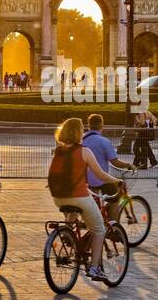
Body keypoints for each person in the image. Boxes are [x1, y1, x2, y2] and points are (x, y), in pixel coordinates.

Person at [48, 117, 124, 283]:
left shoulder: (58, 151)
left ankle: (70, 238)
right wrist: (116, 181)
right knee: (99, 230)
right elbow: (100, 174)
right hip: (79, 197)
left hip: (58, 197)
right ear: (78, 132)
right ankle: (95, 268)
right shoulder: (84, 151)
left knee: (74, 217)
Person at [83, 114, 135, 220]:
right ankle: (114, 225)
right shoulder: (104, 141)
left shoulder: (82, 139)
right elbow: (115, 162)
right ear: (102, 125)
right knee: (116, 199)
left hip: (84, 180)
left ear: (89, 125)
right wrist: (129, 165)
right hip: (101, 180)